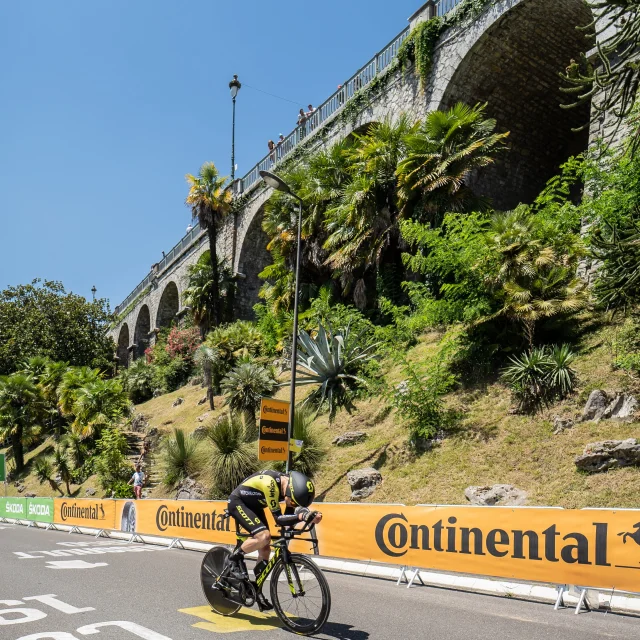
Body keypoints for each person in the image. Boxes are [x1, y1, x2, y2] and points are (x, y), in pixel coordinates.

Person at [227, 470, 322, 611]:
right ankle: (233, 559)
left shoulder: (289, 489)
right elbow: (279, 519)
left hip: (255, 506)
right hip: (238, 502)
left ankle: (256, 590)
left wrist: (308, 515)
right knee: (264, 537)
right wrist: (301, 517)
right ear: (290, 491)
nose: (294, 506)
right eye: (294, 502)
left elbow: (289, 517)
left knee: (265, 549)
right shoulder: (270, 484)